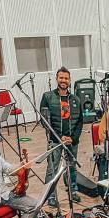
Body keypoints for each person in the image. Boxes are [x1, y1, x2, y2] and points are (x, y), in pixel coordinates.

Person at [39, 67, 84, 206]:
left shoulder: (75, 99)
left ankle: (73, 191)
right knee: (52, 169)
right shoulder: (47, 97)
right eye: (61, 78)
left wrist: (73, 138)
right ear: (57, 79)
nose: (63, 80)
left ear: (70, 81)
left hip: (72, 141)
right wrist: (59, 137)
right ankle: (50, 196)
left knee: (72, 167)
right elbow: (44, 121)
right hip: (55, 141)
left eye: (66, 78)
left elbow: (80, 121)